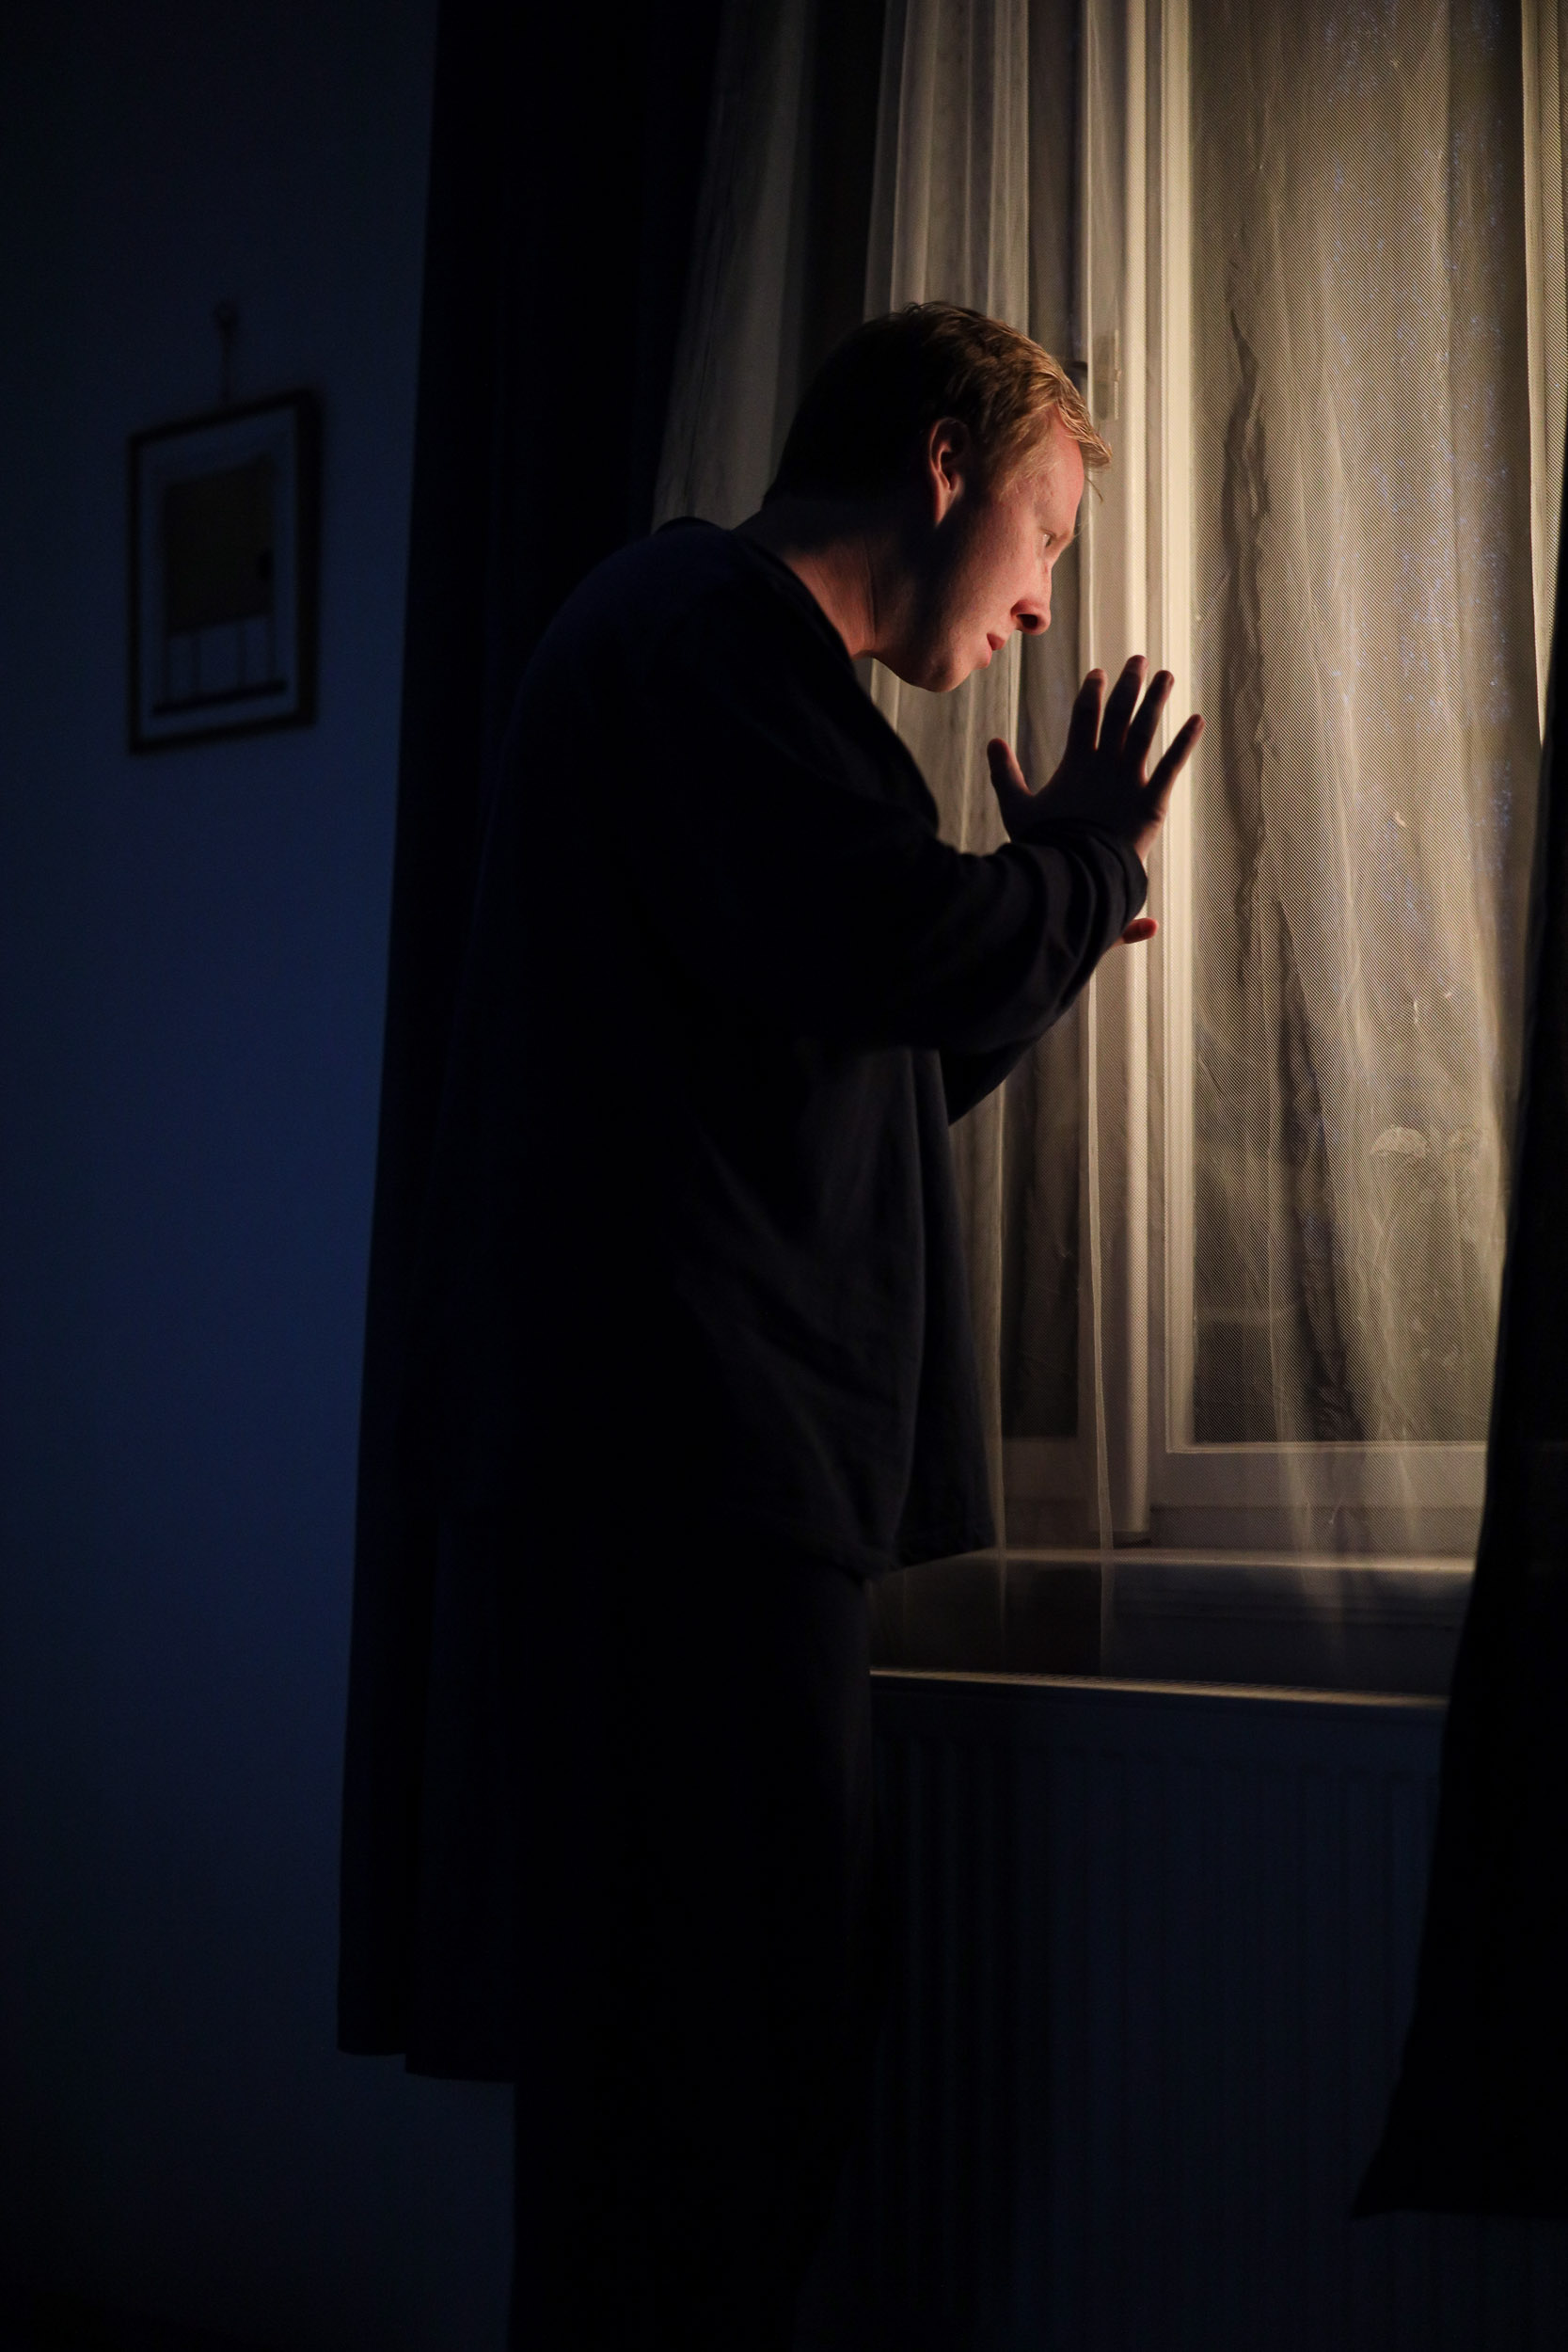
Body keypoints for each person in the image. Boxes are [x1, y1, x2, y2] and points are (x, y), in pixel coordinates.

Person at [388, 303, 1200, 2349]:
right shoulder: (707, 637)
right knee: (716, 2079)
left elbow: (855, 1065)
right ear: (943, 459)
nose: (1042, 600)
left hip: (674, 1480)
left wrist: (1050, 918)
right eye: (1045, 532)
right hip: (675, 1490)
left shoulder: (720, 666)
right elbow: (896, 947)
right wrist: (1073, 868)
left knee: (697, 2082)